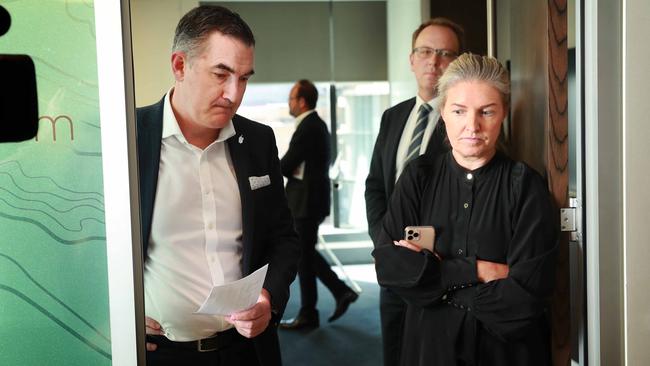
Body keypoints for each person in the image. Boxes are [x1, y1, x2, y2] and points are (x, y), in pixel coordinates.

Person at [136, 5, 300, 366]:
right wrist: (115, 316)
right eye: (221, 74)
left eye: (244, 78)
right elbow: (87, 248)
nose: (234, 93)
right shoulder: (129, 138)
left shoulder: (258, 141)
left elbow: (284, 238)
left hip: (246, 351)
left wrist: (268, 298)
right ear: (180, 65)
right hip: (160, 355)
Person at [373, 53, 558, 366]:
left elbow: (527, 296)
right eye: (459, 111)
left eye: (486, 111)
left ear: (504, 114)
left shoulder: (525, 185)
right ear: (444, 112)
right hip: (429, 351)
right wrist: (479, 271)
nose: (472, 125)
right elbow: (389, 267)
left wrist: (435, 283)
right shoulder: (418, 176)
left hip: (505, 355)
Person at [364, 17, 464, 366]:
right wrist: (383, 239)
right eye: (424, 51)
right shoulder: (393, 116)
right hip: (393, 261)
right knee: (393, 349)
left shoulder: (465, 122)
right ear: (412, 59)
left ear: (458, 61)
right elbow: (375, 184)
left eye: (444, 53)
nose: (433, 61)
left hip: (442, 266)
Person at [279, 79, 358, 330]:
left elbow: (287, 164)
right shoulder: (317, 125)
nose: (289, 103)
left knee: (303, 254)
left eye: (291, 98)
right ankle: (331, 297)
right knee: (304, 254)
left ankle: (318, 306)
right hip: (309, 202)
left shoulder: (308, 127)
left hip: (305, 204)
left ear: (302, 102)